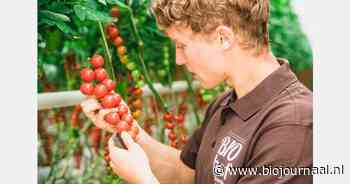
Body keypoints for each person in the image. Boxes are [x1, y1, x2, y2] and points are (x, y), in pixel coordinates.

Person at [81, 0, 313, 183]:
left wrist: (143, 179)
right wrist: (129, 129)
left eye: (182, 45)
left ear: (223, 38)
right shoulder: (225, 103)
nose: (178, 59)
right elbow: (186, 175)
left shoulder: (293, 125)